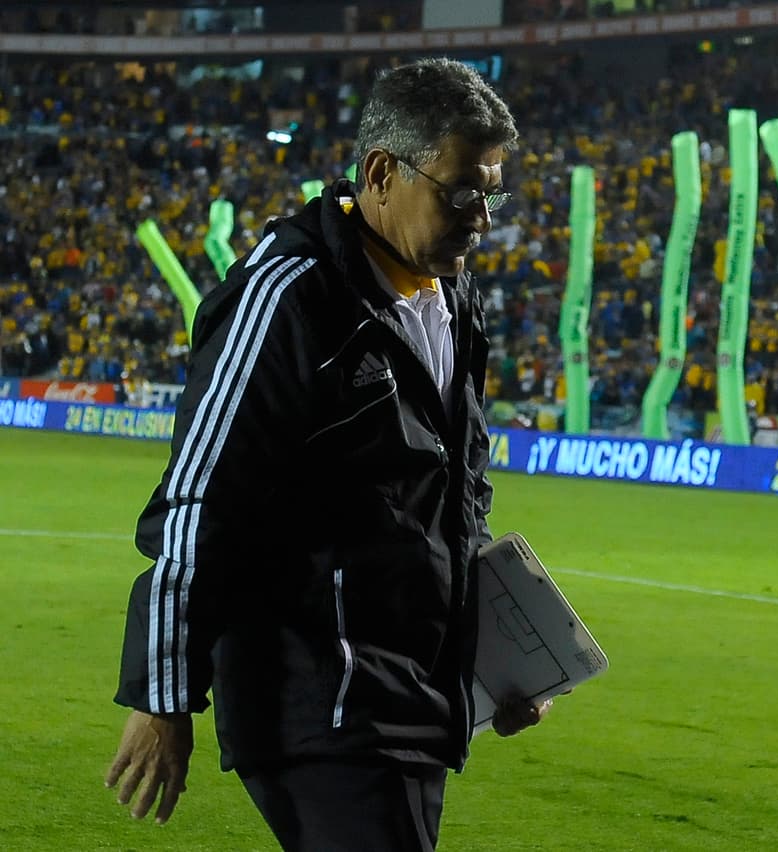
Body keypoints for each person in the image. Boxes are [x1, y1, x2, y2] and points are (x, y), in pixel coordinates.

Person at [105, 58, 552, 851]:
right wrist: (163, 695)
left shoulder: (451, 299)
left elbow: (451, 502)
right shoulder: (290, 298)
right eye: (461, 190)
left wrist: (486, 665)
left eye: (492, 192)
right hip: (322, 699)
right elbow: (201, 499)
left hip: (409, 698)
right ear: (382, 173)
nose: (482, 217)